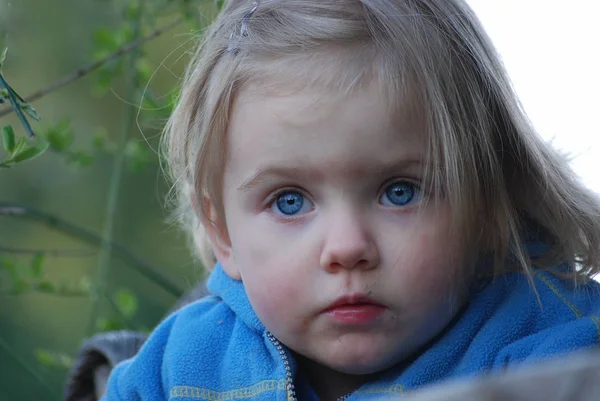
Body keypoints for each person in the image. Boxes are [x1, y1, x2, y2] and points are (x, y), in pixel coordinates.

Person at [101, 1, 600, 400]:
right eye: (290, 202)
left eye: (399, 192)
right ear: (223, 233)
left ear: (491, 206)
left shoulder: (553, 347)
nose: (346, 248)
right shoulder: (179, 368)